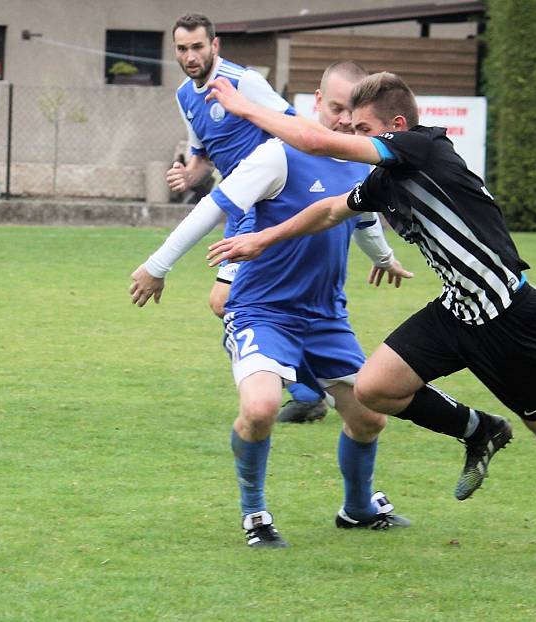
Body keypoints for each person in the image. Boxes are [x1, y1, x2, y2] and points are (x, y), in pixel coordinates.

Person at [205, 71, 536, 559]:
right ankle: (481, 430)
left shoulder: (423, 147)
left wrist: (244, 106)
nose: (352, 139)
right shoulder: (385, 181)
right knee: (373, 389)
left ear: (396, 125)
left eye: (362, 129)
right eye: (350, 128)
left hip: (509, 318)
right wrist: (261, 240)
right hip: (456, 311)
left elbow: (315, 140)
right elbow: (332, 210)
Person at [130, 65, 416, 548]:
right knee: (261, 408)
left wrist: (385, 258)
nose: (345, 122)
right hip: (263, 311)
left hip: (326, 317)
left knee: (369, 417)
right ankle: (255, 514)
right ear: (317, 101)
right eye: (336, 109)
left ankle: (358, 508)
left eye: (354, 114)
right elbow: (214, 206)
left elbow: (362, 219)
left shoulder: (363, 163)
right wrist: (158, 265)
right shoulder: (280, 154)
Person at [166, 12, 326, 422]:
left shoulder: (245, 82)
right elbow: (203, 158)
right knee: (258, 302)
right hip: (236, 208)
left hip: (268, 205)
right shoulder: (186, 95)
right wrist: (188, 176)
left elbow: (294, 127)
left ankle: (309, 389)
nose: (190, 56)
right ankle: (314, 384)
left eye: (198, 46)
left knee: (226, 301)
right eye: (182, 49)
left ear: (215, 45)